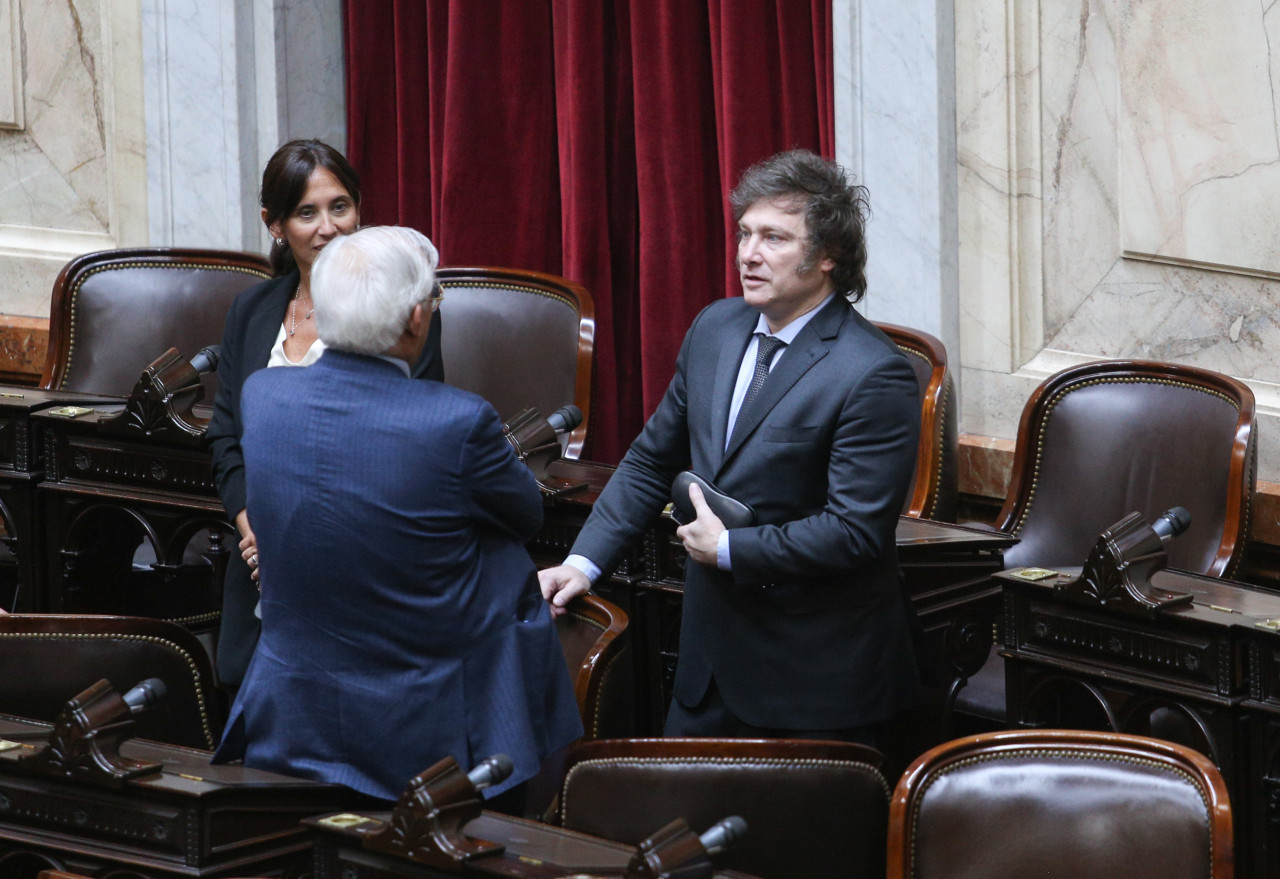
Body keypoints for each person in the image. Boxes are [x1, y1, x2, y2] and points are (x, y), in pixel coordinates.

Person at [539, 150, 922, 744]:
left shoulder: (873, 373)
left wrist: (730, 549)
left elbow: (854, 532)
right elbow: (648, 460)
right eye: (745, 233)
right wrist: (582, 563)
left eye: (773, 238)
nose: (748, 253)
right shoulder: (715, 328)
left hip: (813, 681)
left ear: (828, 257)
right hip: (706, 668)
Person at [212, 226, 581, 801]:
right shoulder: (457, 423)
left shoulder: (263, 396)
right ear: (416, 318)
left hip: (293, 709)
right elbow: (525, 515)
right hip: (425, 737)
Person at [207, 140, 444, 690]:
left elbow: (408, 444)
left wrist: (298, 542)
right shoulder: (252, 310)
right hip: (259, 556)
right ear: (275, 225)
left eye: (340, 207)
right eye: (306, 213)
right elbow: (225, 441)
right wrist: (256, 531)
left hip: (357, 560)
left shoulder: (405, 310)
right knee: (242, 691)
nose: (329, 228)